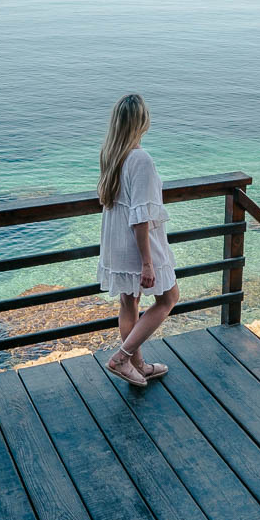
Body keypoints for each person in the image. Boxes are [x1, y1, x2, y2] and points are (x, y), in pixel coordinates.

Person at [97, 94, 179, 387]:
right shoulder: (140, 159)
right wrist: (148, 262)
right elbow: (140, 216)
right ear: (142, 121)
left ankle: (139, 365)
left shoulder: (111, 154)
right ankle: (122, 357)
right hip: (137, 245)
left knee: (129, 302)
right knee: (169, 298)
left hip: (115, 242)